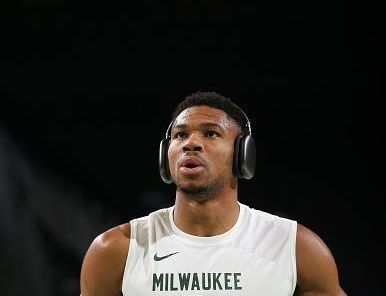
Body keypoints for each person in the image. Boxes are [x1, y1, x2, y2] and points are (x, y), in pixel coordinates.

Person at [80, 91, 347, 295]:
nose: (191, 144)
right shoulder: (116, 250)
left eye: (210, 134)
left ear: (243, 155)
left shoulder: (294, 247)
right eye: (180, 135)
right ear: (165, 155)